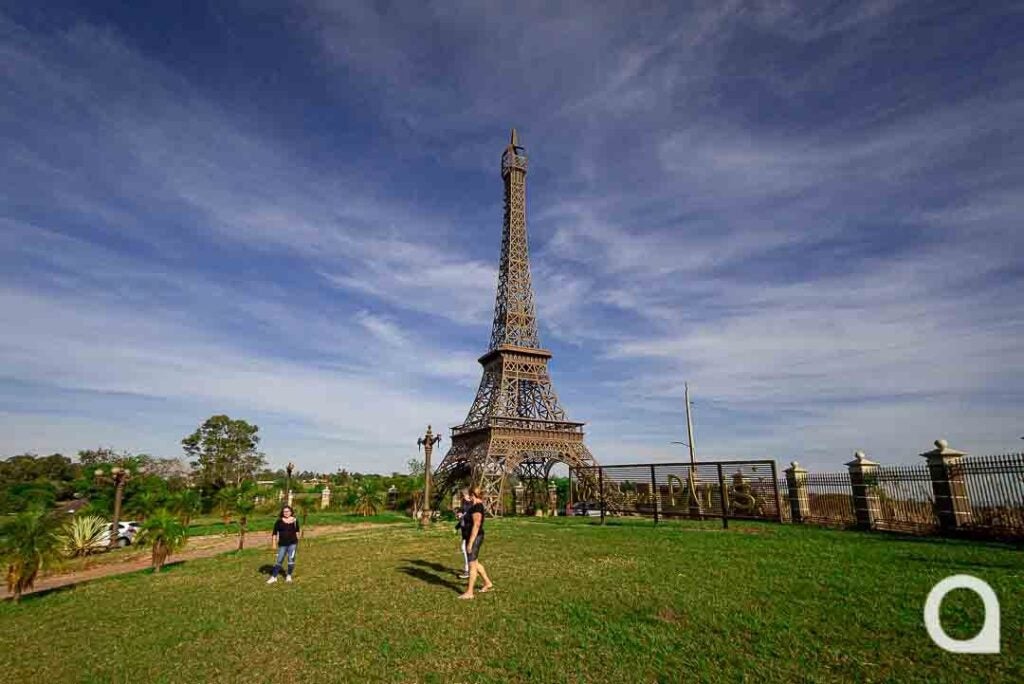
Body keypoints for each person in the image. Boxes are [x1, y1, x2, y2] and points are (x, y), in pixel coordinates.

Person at [458, 486, 493, 599]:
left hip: (475, 538)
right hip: (471, 537)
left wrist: (470, 543)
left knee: (472, 565)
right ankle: (487, 582)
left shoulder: (477, 507)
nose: (469, 497)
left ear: (473, 495)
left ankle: (470, 592)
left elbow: (476, 525)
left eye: (470, 495)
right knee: (475, 563)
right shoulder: (474, 506)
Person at [267, 505, 300, 584]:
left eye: (288, 511)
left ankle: (288, 576)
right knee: (279, 560)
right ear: (282, 512)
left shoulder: (295, 521)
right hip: (282, 545)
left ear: (291, 512)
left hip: (292, 544)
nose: (286, 513)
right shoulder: (279, 521)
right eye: (284, 511)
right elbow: (274, 533)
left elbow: (297, 531)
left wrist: (297, 540)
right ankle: (274, 577)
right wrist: (274, 544)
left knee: (291, 560)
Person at [455, 489, 472, 579]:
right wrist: (457, 526)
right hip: (465, 532)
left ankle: (468, 570)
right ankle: (471, 569)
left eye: (464, 495)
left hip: (470, 531)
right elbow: (461, 514)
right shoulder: (465, 504)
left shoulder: (471, 505)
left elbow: (468, 516)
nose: (463, 497)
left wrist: (462, 515)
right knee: (467, 550)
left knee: (466, 549)